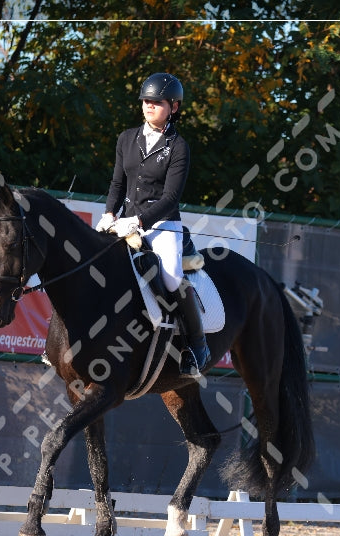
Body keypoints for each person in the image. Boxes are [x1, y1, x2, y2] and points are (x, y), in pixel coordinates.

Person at [95, 72, 210, 378]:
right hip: (124, 223)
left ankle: (195, 346)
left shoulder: (179, 147)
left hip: (162, 227)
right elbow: (118, 183)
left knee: (171, 280)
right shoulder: (126, 138)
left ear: (173, 107)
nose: (148, 106)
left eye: (156, 102)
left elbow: (171, 197)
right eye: (146, 100)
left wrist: (139, 220)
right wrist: (109, 213)